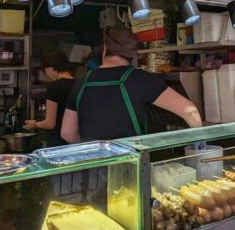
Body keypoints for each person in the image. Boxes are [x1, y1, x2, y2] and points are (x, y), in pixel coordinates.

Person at [61, 25, 202, 142]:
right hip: (131, 166)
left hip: (93, 167)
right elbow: (191, 111)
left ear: (105, 49)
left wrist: (96, 150)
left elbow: (67, 133)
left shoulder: (81, 82)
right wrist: (200, 146)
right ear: (134, 55)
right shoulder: (141, 79)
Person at [24, 51, 75, 147]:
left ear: (51, 67)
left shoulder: (54, 87)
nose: (47, 74)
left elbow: (50, 123)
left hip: (59, 142)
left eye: (45, 70)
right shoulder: (79, 84)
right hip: (76, 140)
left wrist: (34, 124)